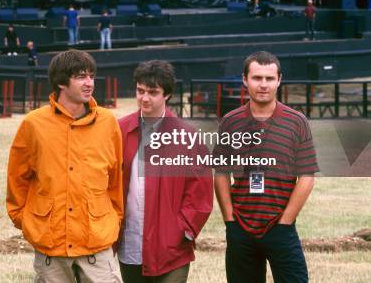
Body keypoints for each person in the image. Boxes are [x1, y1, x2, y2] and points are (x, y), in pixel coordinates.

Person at [7, 49, 123, 283]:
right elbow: (16, 179)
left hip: (96, 244)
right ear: (61, 81)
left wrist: (112, 219)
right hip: (51, 247)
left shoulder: (108, 122)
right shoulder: (33, 124)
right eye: (81, 76)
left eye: (91, 76)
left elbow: (115, 179)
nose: (89, 82)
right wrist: (27, 221)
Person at [214, 51, 319, 283]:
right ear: (244, 79)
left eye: (269, 79)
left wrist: (285, 221)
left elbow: (307, 176)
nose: (263, 85)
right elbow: (221, 173)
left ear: (279, 80)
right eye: (257, 77)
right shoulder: (230, 122)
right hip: (240, 226)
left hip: (280, 225)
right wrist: (230, 220)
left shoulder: (296, 121)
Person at [117, 60, 213, 282]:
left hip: (172, 249)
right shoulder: (120, 130)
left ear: (167, 95)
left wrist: (181, 230)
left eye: (153, 92)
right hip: (129, 243)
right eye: (140, 91)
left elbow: (201, 193)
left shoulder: (187, 137)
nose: (144, 98)